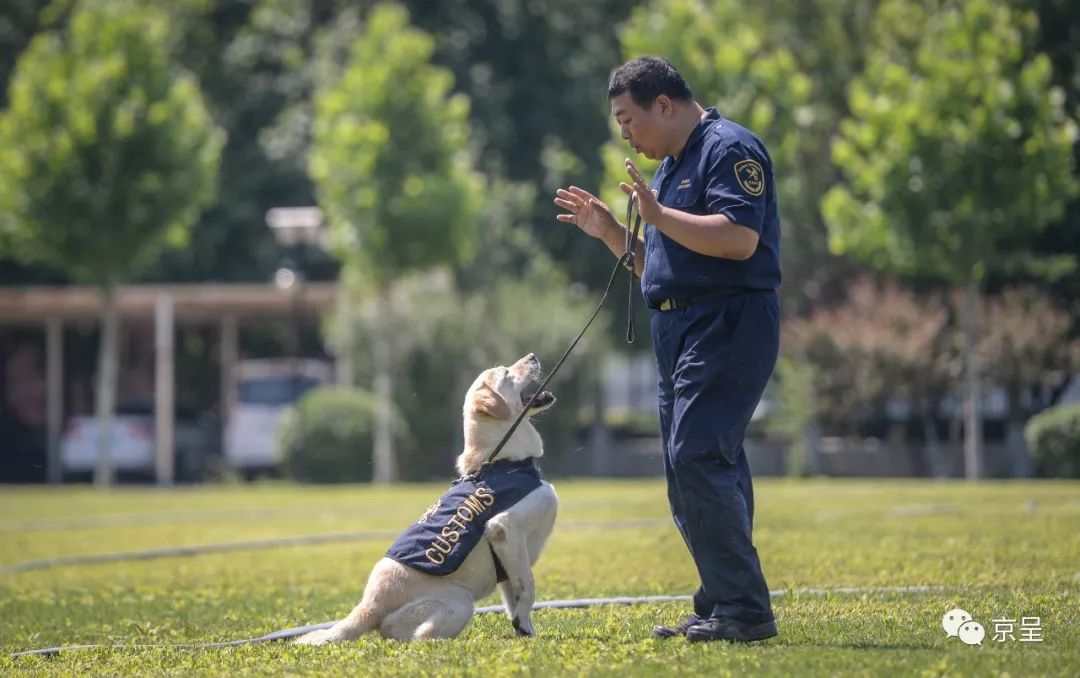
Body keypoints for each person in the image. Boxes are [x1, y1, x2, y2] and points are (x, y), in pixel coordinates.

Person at [554, 56, 781, 643]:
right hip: (678, 330)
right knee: (694, 468)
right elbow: (659, 266)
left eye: (629, 119)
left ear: (664, 104)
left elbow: (737, 238)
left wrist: (657, 214)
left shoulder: (728, 149)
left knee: (698, 455)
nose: (625, 133)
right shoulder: (672, 167)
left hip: (728, 321)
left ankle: (745, 610)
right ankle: (721, 600)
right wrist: (612, 232)